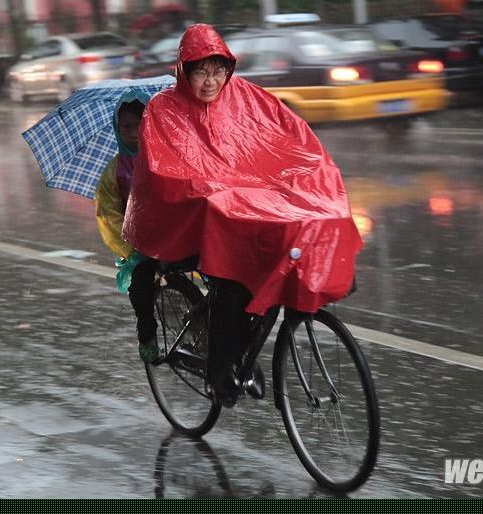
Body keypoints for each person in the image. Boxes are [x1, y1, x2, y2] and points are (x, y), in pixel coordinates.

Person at [123, 24, 363, 406]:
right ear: (184, 70)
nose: (210, 81)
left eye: (218, 70)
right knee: (231, 284)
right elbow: (167, 173)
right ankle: (221, 371)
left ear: (229, 69)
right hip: (192, 225)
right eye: (201, 71)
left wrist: (312, 175)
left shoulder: (248, 98)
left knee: (300, 230)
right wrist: (217, 191)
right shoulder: (163, 110)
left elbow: (291, 140)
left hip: (244, 209)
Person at [94, 90, 161, 363]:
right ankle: (147, 334)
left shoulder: (164, 159)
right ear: (116, 128)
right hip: (139, 246)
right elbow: (109, 217)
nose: (134, 133)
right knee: (142, 285)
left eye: (140, 124)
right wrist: (133, 249)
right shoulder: (113, 172)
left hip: (175, 238)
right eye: (126, 127)